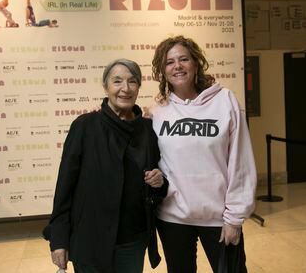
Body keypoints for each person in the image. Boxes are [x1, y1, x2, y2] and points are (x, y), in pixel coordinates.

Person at [43, 59, 168, 273]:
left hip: (132, 240)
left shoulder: (147, 129)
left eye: (132, 81)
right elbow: (64, 187)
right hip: (90, 239)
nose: (125, 89)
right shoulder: (84, 126)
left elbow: (155, 185)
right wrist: (59, 240)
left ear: (139, 87)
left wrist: (159, 183)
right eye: (117, 81)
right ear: (106, 86)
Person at [150, 35, 257, 272]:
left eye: (183, 59)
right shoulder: (158, 111)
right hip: (172, 217)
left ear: (196, 63)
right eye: (169, 62)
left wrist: (234, 218)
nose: (177, 66)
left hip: (219, 218)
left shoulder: (224, 101)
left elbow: (241, 162)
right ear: (163, 70)